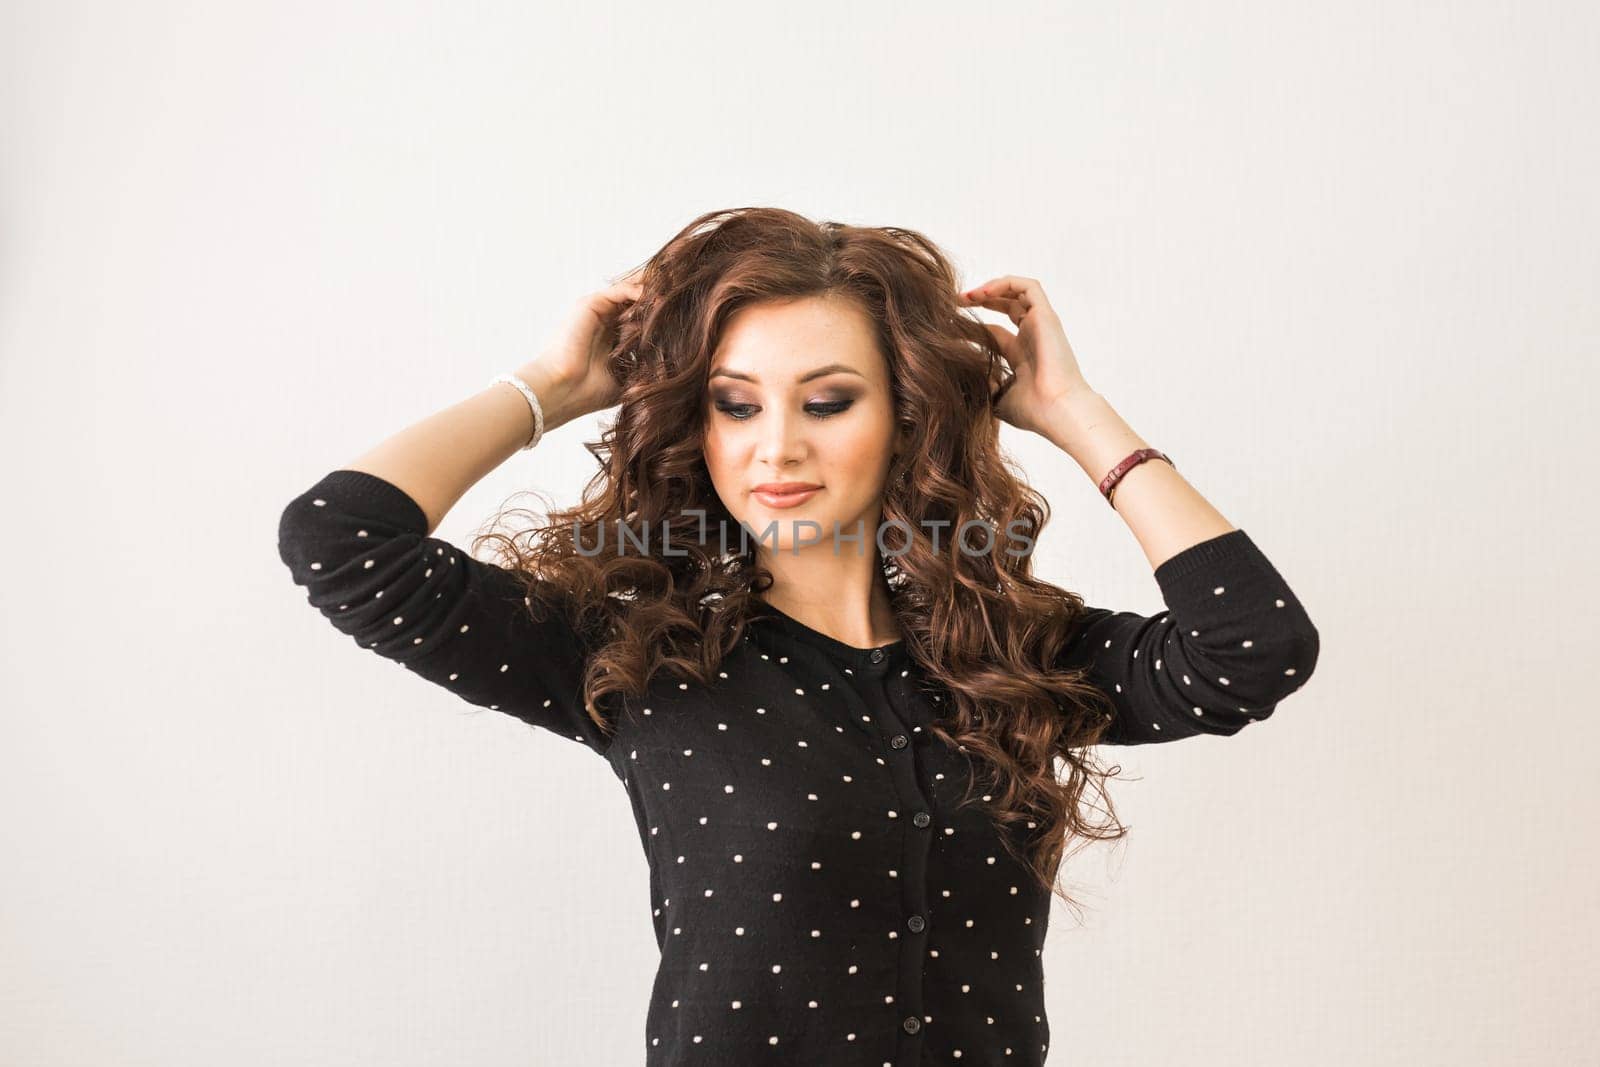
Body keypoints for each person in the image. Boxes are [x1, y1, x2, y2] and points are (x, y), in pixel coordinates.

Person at [277, 207, 1319, 1066]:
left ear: (907, 414)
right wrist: (550, 388)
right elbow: (340, 540)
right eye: (734, 404)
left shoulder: (1007, 657)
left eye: (827, 401)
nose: (776, 445)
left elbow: (1254, 645)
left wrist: (1074, 410)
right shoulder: (641, 656)